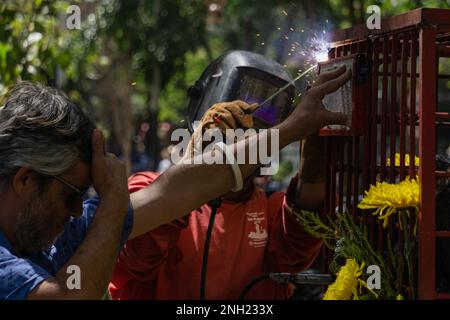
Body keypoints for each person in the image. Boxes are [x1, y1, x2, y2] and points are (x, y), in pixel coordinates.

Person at [0, 65, 350, 299]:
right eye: (71, 195)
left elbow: (177, 190)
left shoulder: (55, 234)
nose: (78, 210)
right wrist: (112, 200)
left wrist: (293, 131)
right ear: (25, 180)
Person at [108, 67, 350, 300]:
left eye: (251, 140)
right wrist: (194, 162)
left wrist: (315, 146)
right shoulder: (145, 188)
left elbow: (301, 239)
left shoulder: (271, 210)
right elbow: (137, 254)